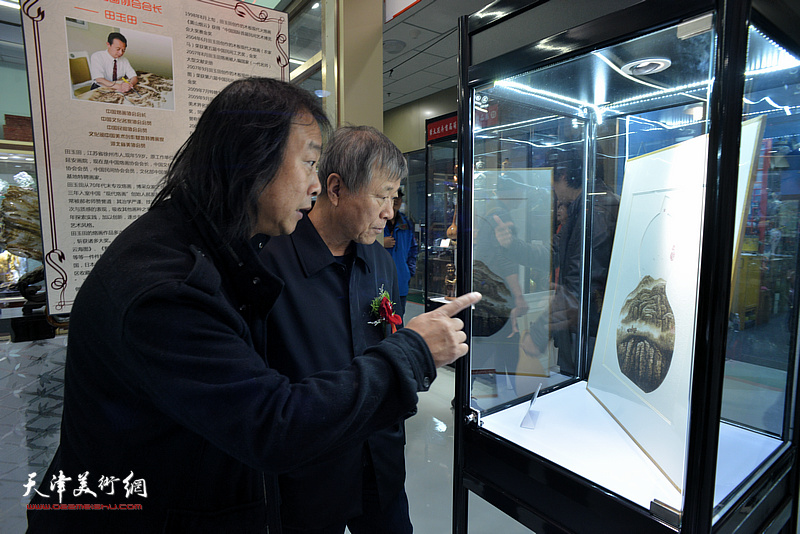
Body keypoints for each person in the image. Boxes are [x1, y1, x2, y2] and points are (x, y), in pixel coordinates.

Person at [26, 78, 480, 533]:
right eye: (307, 163)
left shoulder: (218, 249)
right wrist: (414, 351)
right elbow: (271, 422)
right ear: (252, 160)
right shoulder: (170, 287)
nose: (314, 185)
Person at [261, 126, 415, 533]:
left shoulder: (379, 261)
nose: (390, 211)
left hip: (380, 463)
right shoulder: (270, 265)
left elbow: (390, 339)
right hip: (308, 476)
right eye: (381, 196)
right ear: (335, 188)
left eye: (394, 197)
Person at [491, 150, 618, 376]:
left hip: (589, 332)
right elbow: (553, 252)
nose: (553, 192)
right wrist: (512, 245)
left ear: (563, 176)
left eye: (553, 182)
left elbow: (578, 286)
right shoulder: (584, 206)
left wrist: (539, 334)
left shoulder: (594, 210)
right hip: (582, 328)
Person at [383, 188, 418, 318]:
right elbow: (362, 243)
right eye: (393, 197)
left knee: (398, 319)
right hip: (380, 280)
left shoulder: (406, 223)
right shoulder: (376, 221)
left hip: (401, 280)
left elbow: (413, 250)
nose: (396, 200)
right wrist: (380, 242)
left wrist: (409, 271)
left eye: (399, 197)